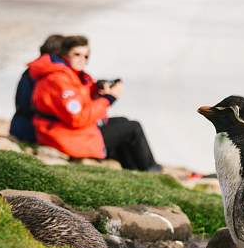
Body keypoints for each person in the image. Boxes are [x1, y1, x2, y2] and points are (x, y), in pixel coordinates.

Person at [30, 35, 160, 171]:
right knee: (132, 128)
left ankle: (135, 170)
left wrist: (97, 88)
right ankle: (151, 171)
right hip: (64, 135)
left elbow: (79, 93)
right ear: (65, 55)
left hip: (66, 130)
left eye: (86, 56)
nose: (82, 60)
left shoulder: (66, 73)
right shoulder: (58, 79)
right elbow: (77, 117)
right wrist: (108, 98)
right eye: (77, 54)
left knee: (123, 122)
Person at [9, 34, 64, 143]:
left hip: (18, 126)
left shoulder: (32, 70)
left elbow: (21, 102)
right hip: (37, 131)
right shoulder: (53, 72)